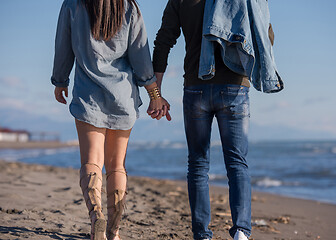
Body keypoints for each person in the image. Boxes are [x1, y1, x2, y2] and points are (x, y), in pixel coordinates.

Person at [152, 0, 283, 239]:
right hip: (234, 88)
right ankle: (241, 231)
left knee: (198, 164)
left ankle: (202, 234)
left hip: (195, 88)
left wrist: (156, 93)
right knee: (237, 163)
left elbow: (163, 41)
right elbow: (264, 35)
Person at [51, 0, 170, 239]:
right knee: (117, 166)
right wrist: (154, 94)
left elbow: (63, 45)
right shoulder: (129, 7)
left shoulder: (73, 4)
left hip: (88, 95)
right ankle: (113, 232)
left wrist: (60, 80)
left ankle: (96, 216)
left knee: (91, 162)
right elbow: (141, 55)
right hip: (122, 97)